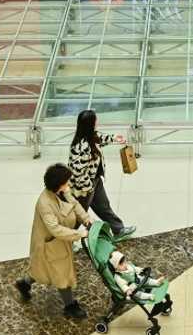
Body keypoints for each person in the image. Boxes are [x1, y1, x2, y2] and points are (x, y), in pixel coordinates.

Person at [15, 163, 91, 319]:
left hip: (59, 241)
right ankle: (70, 306)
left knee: (41, 269)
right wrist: (80, 234)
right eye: (66, 181)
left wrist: (86, 220)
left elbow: (75, 205)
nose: (69, 184)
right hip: (50, 244)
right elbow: (55, 229)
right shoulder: (45, 204)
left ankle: (24, 283)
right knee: (61, 273)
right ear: (59, 184)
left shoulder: (63, 192)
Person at [69, 109, 137, 240]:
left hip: (95, 181)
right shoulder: (81, 147)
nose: (97, 122)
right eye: (95, 120)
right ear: (90, 124)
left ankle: (118, 230)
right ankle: (66, 240)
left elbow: (100, 138)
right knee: (78, 216)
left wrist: (115, 138)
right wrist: (88, 188)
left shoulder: (91, 136)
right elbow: (77, 173)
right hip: (84, 188)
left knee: (103, 206)